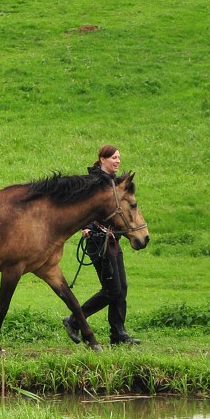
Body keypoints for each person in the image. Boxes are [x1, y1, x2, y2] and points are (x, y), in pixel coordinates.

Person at [63, 145, 141, 346]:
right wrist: (86, 227)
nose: (118, 161)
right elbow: (83, 208)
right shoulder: (92, 183)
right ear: (102, 159)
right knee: (111, 289)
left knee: (121, 287)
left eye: (119, 158)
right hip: (97, 240)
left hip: (113, 239)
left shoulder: (115, 184)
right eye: (114, 158)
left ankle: (118, 334)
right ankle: (74, 320)